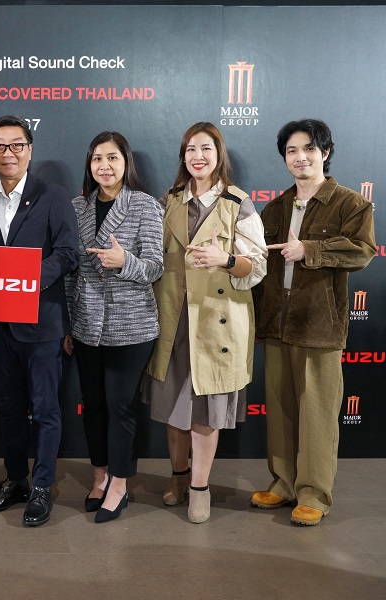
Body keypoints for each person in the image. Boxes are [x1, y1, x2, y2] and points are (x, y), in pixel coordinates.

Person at [250, 119, 375, 526]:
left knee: (318, 413)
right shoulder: (274, 208)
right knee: (281, 409)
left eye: (308, 149)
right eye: (291, 150)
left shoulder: (350, 204)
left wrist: (310, 249)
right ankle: (284, 483)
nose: (299, 157)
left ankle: (314, 494)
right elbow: (259, 269)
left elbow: (362, 251)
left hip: (319, 324)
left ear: (325, 152)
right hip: (277, 322)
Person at [144, 122, 267, 524]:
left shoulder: (238, 203)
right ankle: (178, 477)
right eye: (190, 149)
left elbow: (257, 266)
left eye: (206, 149)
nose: (198, 156)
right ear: (183, 156)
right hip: (173, 319)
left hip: (216, 323)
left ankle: (200, 488)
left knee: (205, 411)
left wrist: (225, 260)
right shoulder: (169, 200)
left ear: (219, 155)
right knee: (173, 407)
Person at [0, 115, 78, 527]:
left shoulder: (53, 196)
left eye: (17, 145)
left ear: (29, 151)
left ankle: (42, 486)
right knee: (10, 408)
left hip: (41, 323)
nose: (8, 153)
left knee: (46, 409)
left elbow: (68, 253)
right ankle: (16, 479)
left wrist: (25, 278)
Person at [63, 132, 164, 523]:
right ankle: (100, 476)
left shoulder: (144, 205)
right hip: (86, 324)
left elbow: (155, 267)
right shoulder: (78, 206)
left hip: (131, 324)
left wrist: (124, 262)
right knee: (93, 405)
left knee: (121, 405)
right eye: (96, 158)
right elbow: (71, 271)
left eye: (112, 158)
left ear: (126, 163)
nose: (104, 166)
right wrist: (69, 323)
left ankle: (120, 484)